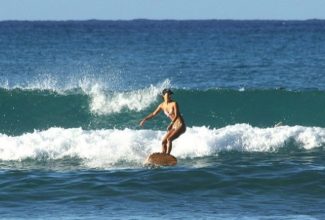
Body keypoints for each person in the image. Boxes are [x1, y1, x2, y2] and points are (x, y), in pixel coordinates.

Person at [139, 89, 186, 155]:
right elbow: (153, 114)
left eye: (170, 94)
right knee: (163, 142)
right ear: (163, 95)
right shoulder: (162, 105)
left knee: (169, 139)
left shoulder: (174, 103)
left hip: (180, 125)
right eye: (168, 94)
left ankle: (167, 156)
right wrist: (144, 119)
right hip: (174, 126)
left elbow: (177, 115)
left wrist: (171, 124)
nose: (169, 95)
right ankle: (163, 156)